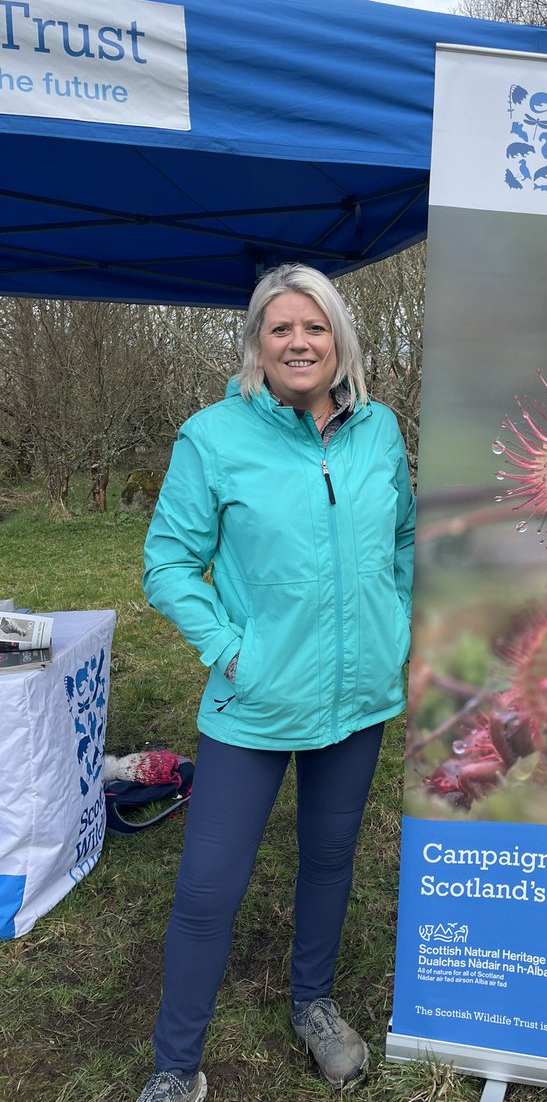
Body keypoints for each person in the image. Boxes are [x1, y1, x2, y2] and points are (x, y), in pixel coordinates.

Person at [136, 263, 416, 1101]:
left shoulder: (380, 432)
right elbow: (168, 564)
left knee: (329, 860)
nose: (299, 341)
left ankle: (314, 1003)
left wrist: (393, 625)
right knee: (207, 887)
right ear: (258, 346)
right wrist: (230, 649)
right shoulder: (213, 436)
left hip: (358, 698)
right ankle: (176, 1065)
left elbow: (402, 539)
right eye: (280, 328)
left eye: (315, 326)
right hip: (254, 701)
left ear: (341, 341)